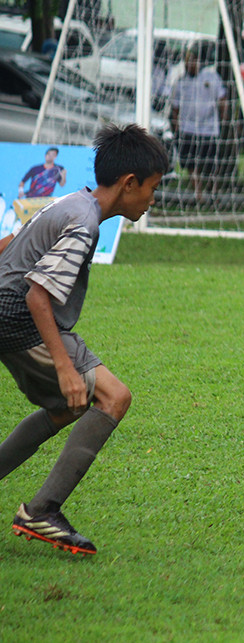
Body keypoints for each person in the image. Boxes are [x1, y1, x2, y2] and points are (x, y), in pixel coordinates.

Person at [0, 123, 169, 556]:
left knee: (64, 407)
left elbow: (13, 244)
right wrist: (64, 367)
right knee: (113, 397)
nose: (153, 199)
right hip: (19, 318)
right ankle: (42, 510)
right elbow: (38, 296)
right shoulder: (84, 222)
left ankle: (41, 508)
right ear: (129, 184)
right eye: (152, 188)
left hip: (5, 313)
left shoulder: (71, 201)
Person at [170, 44, 227, 203]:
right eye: (186, 61)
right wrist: (176, 127)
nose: (189, 64)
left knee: (209, 165)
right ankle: (198, 194)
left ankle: (213, 193)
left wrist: (222, 119)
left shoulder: (211, 78)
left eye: (192, 60)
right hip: (188, 129)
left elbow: (222, 98)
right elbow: (175, 107)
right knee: (191, 164)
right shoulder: (181, 82)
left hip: (209, 129)